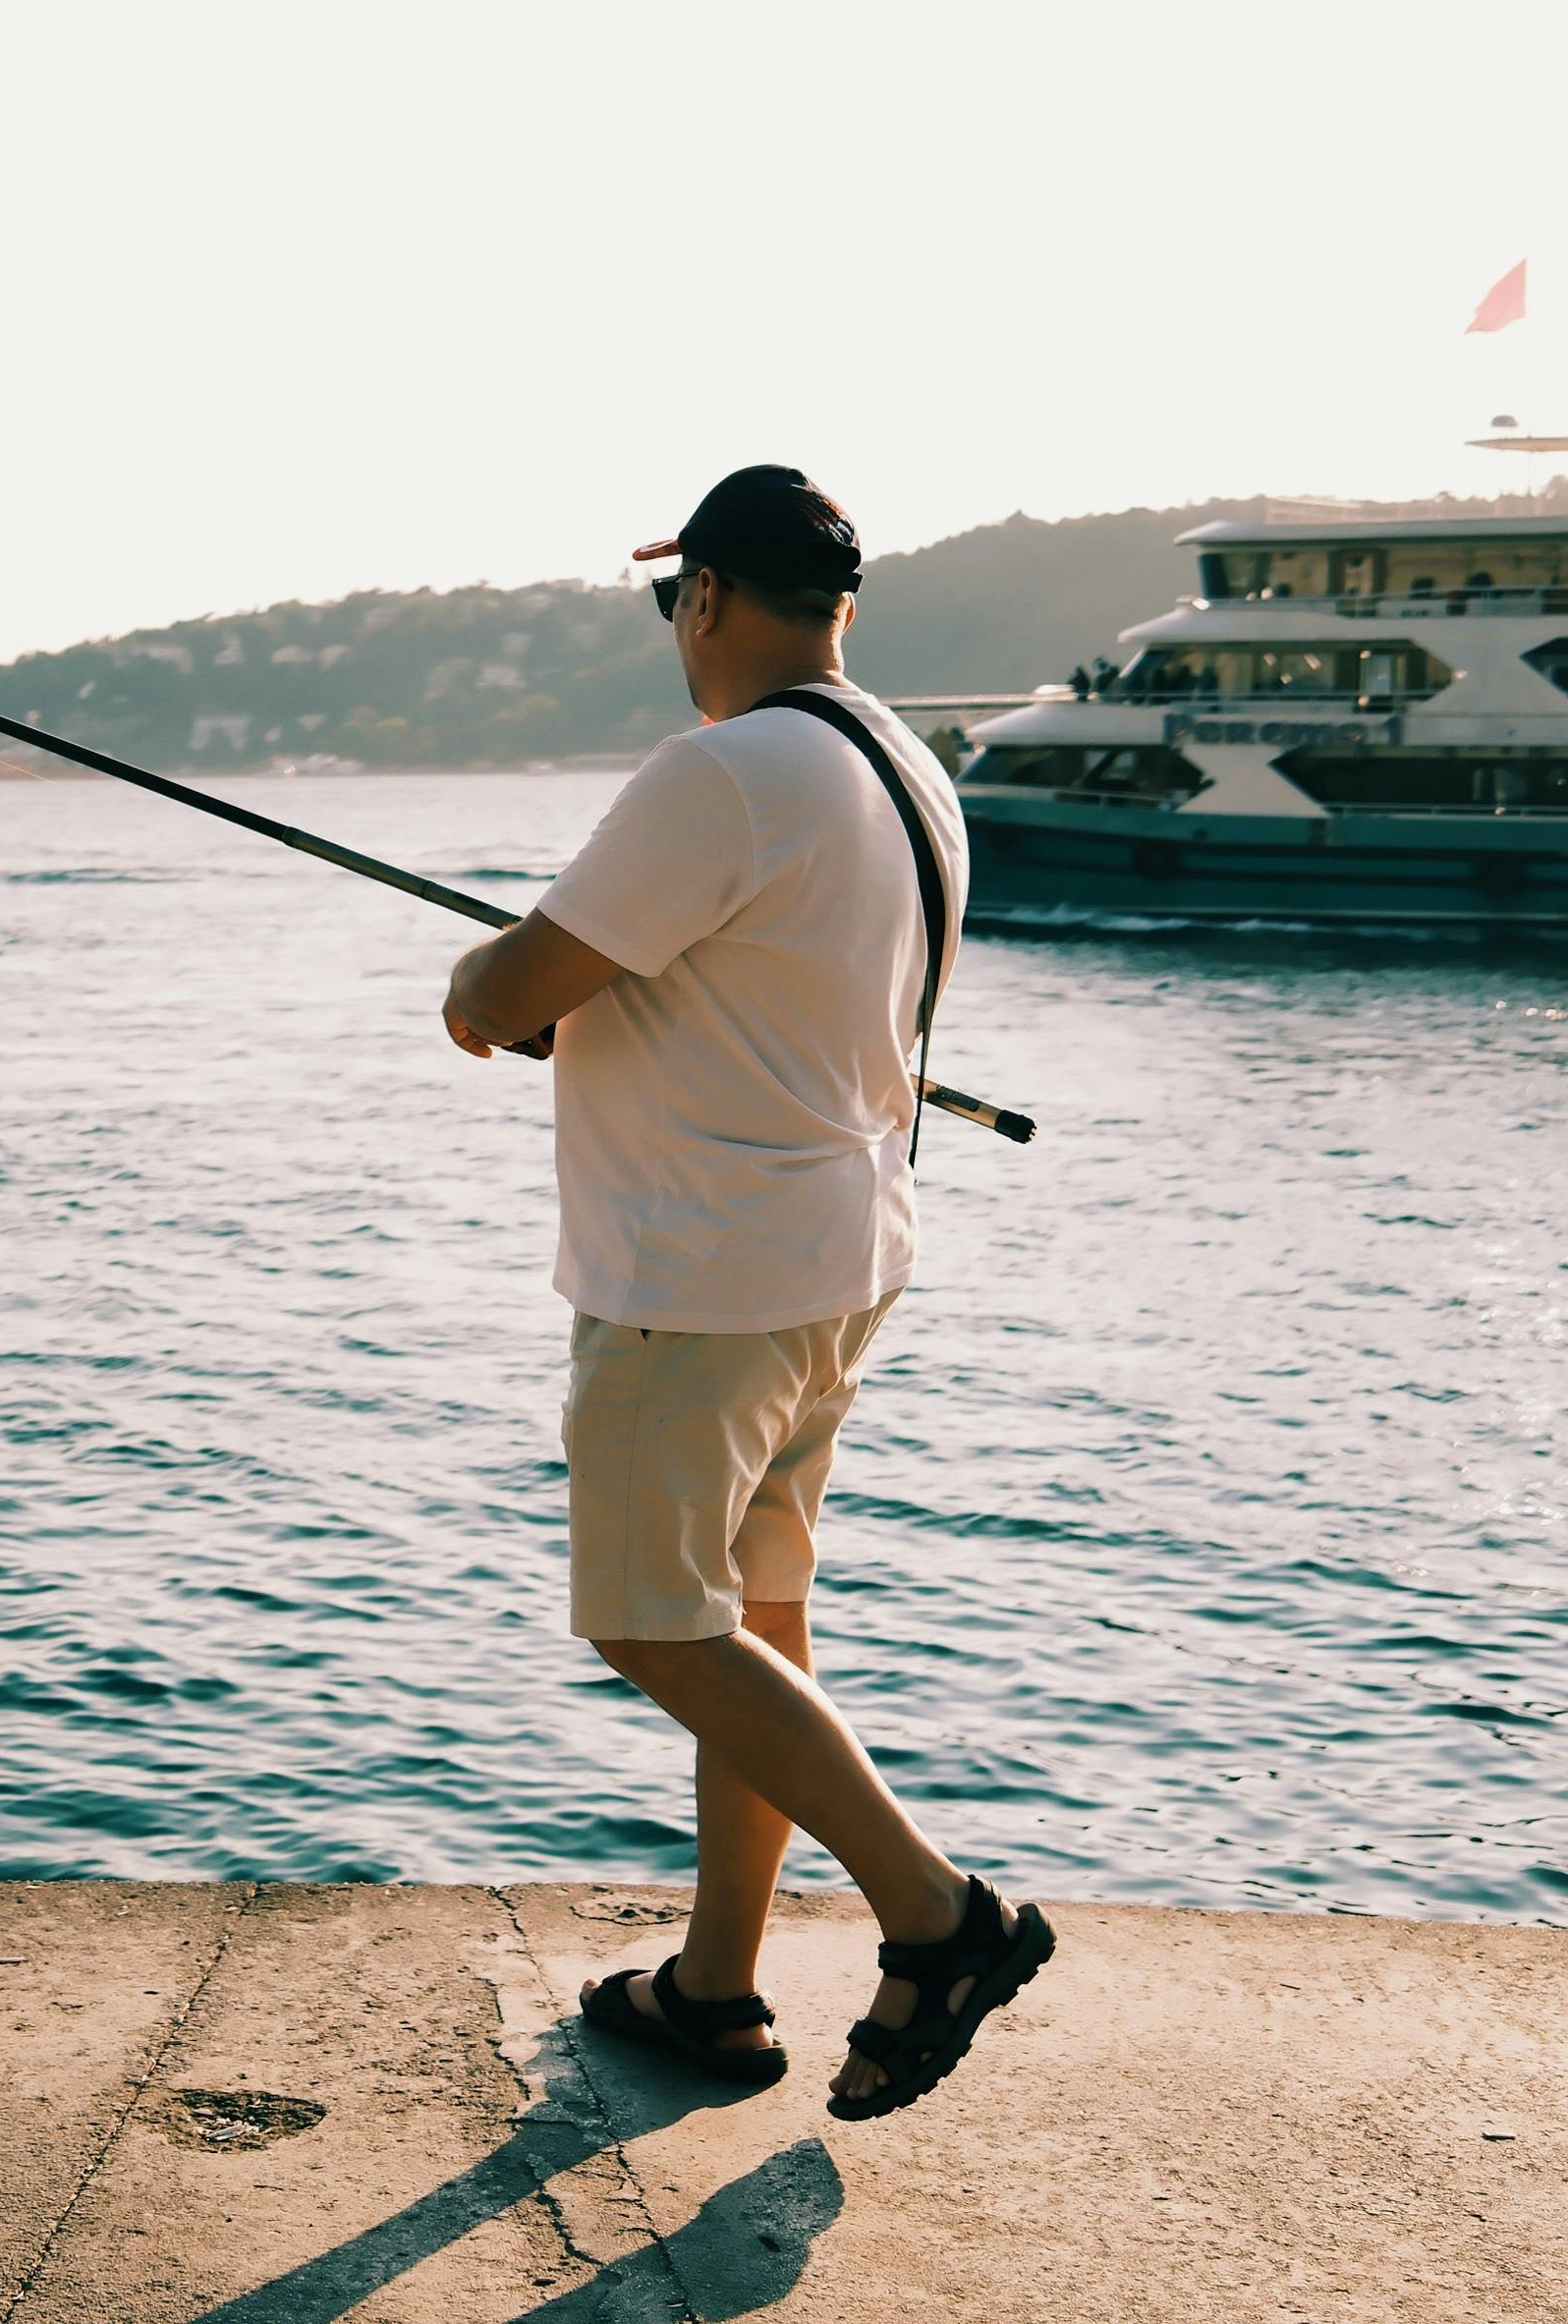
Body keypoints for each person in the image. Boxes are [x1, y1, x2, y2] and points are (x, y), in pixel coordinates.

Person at [440, 465, 1055, 2123]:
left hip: (698, 1279)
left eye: (672, 602)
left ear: (707, 596)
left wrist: (479, 988)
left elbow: (504, 993)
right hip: (841, 1264)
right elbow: (752, 991)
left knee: (651, 1618)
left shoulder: (721, 773)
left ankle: (939, 1916)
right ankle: (717, 1984)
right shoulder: (906, 770)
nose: (674, 631)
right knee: (755, 1621)